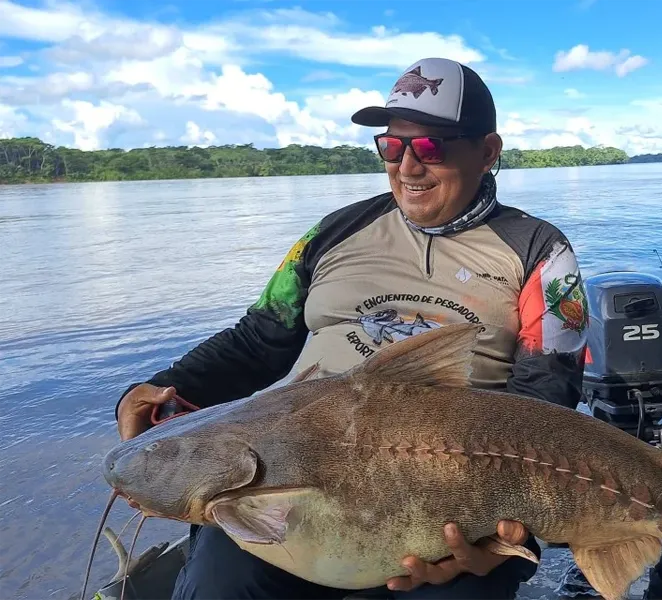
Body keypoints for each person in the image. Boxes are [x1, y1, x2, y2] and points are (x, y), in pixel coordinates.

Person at [114, 57, 590, 600]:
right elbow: (258, 339)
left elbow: (546, 397)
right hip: (295, 479)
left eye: (430, 147)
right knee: (218, 584)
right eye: (392, 146)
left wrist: (496, 530)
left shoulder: (541, 254)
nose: (407, 167)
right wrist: (157, 390)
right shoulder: (334, 232)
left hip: (453, 492)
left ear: (487, 152)